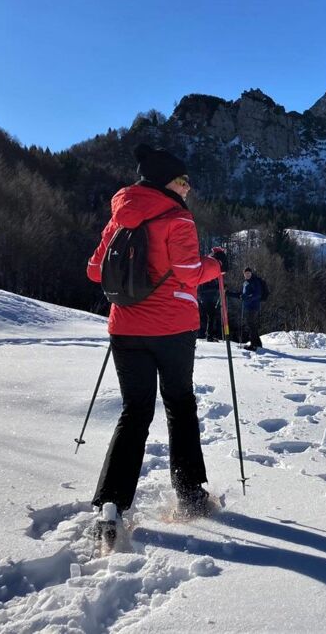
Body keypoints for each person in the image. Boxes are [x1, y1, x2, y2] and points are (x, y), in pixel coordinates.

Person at [85, 144, 225, 534]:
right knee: (179, 405)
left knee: (135, 412)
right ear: (167, 182)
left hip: (124, 328)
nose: (188, 188)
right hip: (172, 329)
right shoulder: (178, 219)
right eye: (183, 181)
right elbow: (188, 273)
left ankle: (111, 504)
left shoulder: (118, 219)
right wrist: (216, 264)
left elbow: (95, 272)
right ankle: (191, 495)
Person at [229, 267, 265, 351]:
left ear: (251, 273)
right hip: (248, 307)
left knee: (251, 325)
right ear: (244, 274)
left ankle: (253, 345)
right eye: (246, 273)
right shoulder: (245, 283)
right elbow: (242, 294)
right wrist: (228, 293)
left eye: (249, 273)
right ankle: (258, 343)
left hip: (253, 307)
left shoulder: (255, 282)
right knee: (252, 325)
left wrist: (247, 298)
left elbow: (257, 294)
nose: (247, 275)